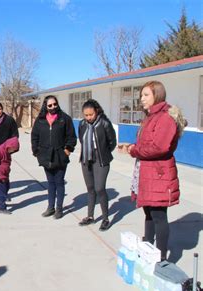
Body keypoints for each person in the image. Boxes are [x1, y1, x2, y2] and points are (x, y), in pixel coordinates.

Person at [120, 81, 184, 261]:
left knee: (159, 216)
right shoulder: (150, 117)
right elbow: (147, 144)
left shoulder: (165, 117)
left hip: (159, 174)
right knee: (148, 212)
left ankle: (161, 258)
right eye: (141, 95)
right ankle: (148, 247)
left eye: (146, 95)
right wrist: (133, 146)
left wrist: (134, 150)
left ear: (158, 95)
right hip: (147, 172)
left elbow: (159, 147)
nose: (142, 99)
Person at [31, 95, 77, 219]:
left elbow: (72, 137)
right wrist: (36, 151)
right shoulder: (40, 120)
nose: (53, 107)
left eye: (55, 104)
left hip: (60, 156)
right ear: (46, 106)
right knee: (50, 183)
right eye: (50, 105)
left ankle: (59, 209)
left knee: (59, 183)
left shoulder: (65, 119)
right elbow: (34, 136)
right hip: (45, 156)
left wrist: (67, 150)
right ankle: (50, 207)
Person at [77, 99, 116, 231]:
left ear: (96, 111)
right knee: (90, 188)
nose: (88, 118)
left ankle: (105, 218)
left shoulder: (104, 123)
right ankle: (90, 216)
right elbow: (81, 139)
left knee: (100, 188)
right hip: (86, 159)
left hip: (101, 160)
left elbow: (112, 142)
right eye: (86, 115)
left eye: (91, 115)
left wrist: (103, 152)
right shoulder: (82, 124)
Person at [0, 137, 20, 215]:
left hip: (5, 174)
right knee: (2, 193)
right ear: (9, 146)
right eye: (12, 149)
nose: (13, 151)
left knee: (6, 187)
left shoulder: (7, 152)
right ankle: (2, 208)